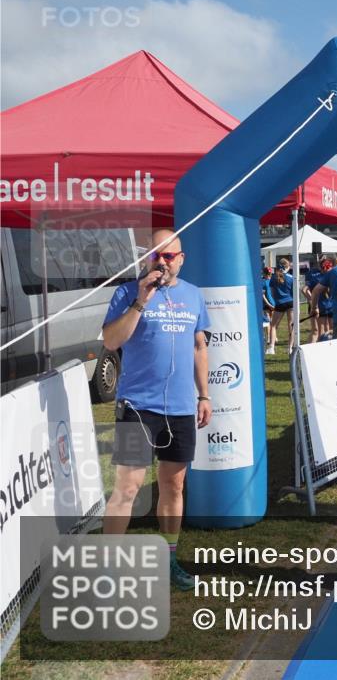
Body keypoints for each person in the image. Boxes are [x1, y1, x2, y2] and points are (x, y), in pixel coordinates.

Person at [101, 229, 210, 591]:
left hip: (179, 409)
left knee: (174, 484)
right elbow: (112, 341)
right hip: (136, 407)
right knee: (128, 487)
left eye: (169, 256)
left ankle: (168, 560)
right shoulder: (127, 293)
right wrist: (140, 301)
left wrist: (205, 395)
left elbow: (199, 347)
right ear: (147, 258)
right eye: (156, 256)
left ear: (181, 259)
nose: (162, 263)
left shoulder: (194, 295)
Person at [267, 258, 296, 354]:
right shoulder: (291, 277)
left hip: (279, 303)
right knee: (291, 325)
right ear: (287, 267)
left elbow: (271, 292)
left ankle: (271, 347)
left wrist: (276, 299)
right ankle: (290, 348)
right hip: (290, 302)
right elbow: (294, 292)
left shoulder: (273, 277)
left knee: (273, 325)